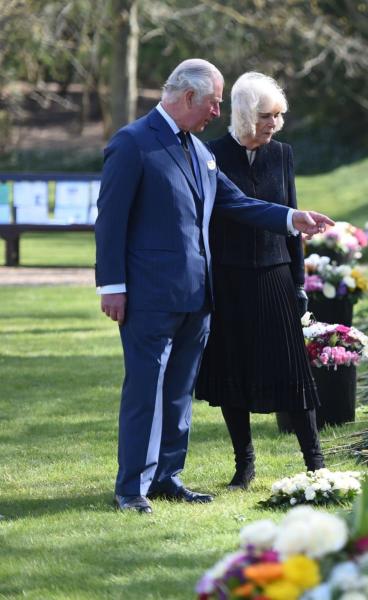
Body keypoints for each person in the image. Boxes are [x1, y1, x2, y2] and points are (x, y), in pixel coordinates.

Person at [95, 59, 334, 514]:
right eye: (213, 103)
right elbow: (110, 222)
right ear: (188, 97)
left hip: (198, 298)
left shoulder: (199, 151)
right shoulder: (132, 144)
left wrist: (291, 218)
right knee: (146, 390)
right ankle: (131, 489)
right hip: (149, 298)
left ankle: (168, 477)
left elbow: (237, 202)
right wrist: (112, 286)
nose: (217, 113)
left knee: (180, 393)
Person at [194, 72, 323, 491]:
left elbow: (292, 220)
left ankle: (315, 463)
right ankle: (244, 464)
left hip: (275, 276)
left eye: (279, 115)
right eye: (268, 115)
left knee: (293, 372)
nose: (275, 124)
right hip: (228, 278)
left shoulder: (282, 154)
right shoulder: (210, 154)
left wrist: (300, 281)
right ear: (247, 114)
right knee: (234, 372)